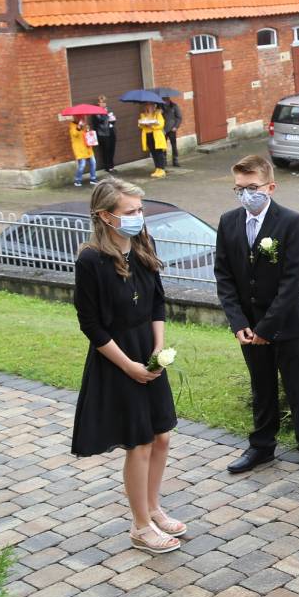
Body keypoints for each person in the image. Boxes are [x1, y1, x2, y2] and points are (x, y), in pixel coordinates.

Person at [70, 177, 185, 555]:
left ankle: (153, 508)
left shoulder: (141, 245)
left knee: (162, 436)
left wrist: (157, 349)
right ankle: (140, 526)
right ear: (106, 216)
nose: (139, 217)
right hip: (116, 357)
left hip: (147, 351)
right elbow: (91, 325)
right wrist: (131, 366)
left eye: (140, 210)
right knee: (139, 443)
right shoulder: (90, 260)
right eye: (131, 212)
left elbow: (157, 303)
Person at [214, 154, 299, 479]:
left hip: (287, 325)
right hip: (249, 329)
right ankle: (262, 445)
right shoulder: (228, 222)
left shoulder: (291, 222)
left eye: (252, 187)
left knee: (298, 388)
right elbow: (224, 275)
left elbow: (293, 280)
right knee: (261, 387)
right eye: (239, 189)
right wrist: (239, 323)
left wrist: (268, 326)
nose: (245, 195)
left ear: (270, 187)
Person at [137, 103, 167, 178]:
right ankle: (157, 168)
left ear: (154, 106)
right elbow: (140, 125)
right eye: (146, 105)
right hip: (148, 135)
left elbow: (161, 125)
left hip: (156, 136)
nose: (148, 107)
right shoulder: (143, 115)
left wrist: (151, 126)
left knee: (159, 152)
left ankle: (162, 169)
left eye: (150, 105)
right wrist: (143, 124)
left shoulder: (157, 114)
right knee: (153, 152)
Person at [68, 115, 97, 187]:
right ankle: (77, 180)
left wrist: (87, 130)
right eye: (78, 117)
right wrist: (79, 127)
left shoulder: (84, 125)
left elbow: (87, 135)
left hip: (87, 148)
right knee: (82, 165)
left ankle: (93, 179)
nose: (80, 119)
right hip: (80, 149)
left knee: (93, 163)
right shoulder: (72, 126)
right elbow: (75, 134)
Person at [93, 96, 118, 173]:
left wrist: (113, 119)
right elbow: (99, 120)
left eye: (104, 102)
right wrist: (106, 115)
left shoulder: (108, 110)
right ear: (98, 103)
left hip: (111, 131)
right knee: (106, 150)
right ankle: (107, 167)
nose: (104, 104)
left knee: (112, 149)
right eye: (102, 102)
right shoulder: (96, 112)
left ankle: (111, 166)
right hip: (103, 134)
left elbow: (112, 121)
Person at [162, 96, 183, 167]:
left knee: (174, 145)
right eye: (163, 100)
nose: (164, 101)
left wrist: (175, 127)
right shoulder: (159, 107)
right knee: (163, 146)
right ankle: (164, 161)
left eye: (165, 99)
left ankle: (175, 160)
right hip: (163, 130)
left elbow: (179, 117)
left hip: (172, 129)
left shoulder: (174, 106)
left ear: (168, 99)